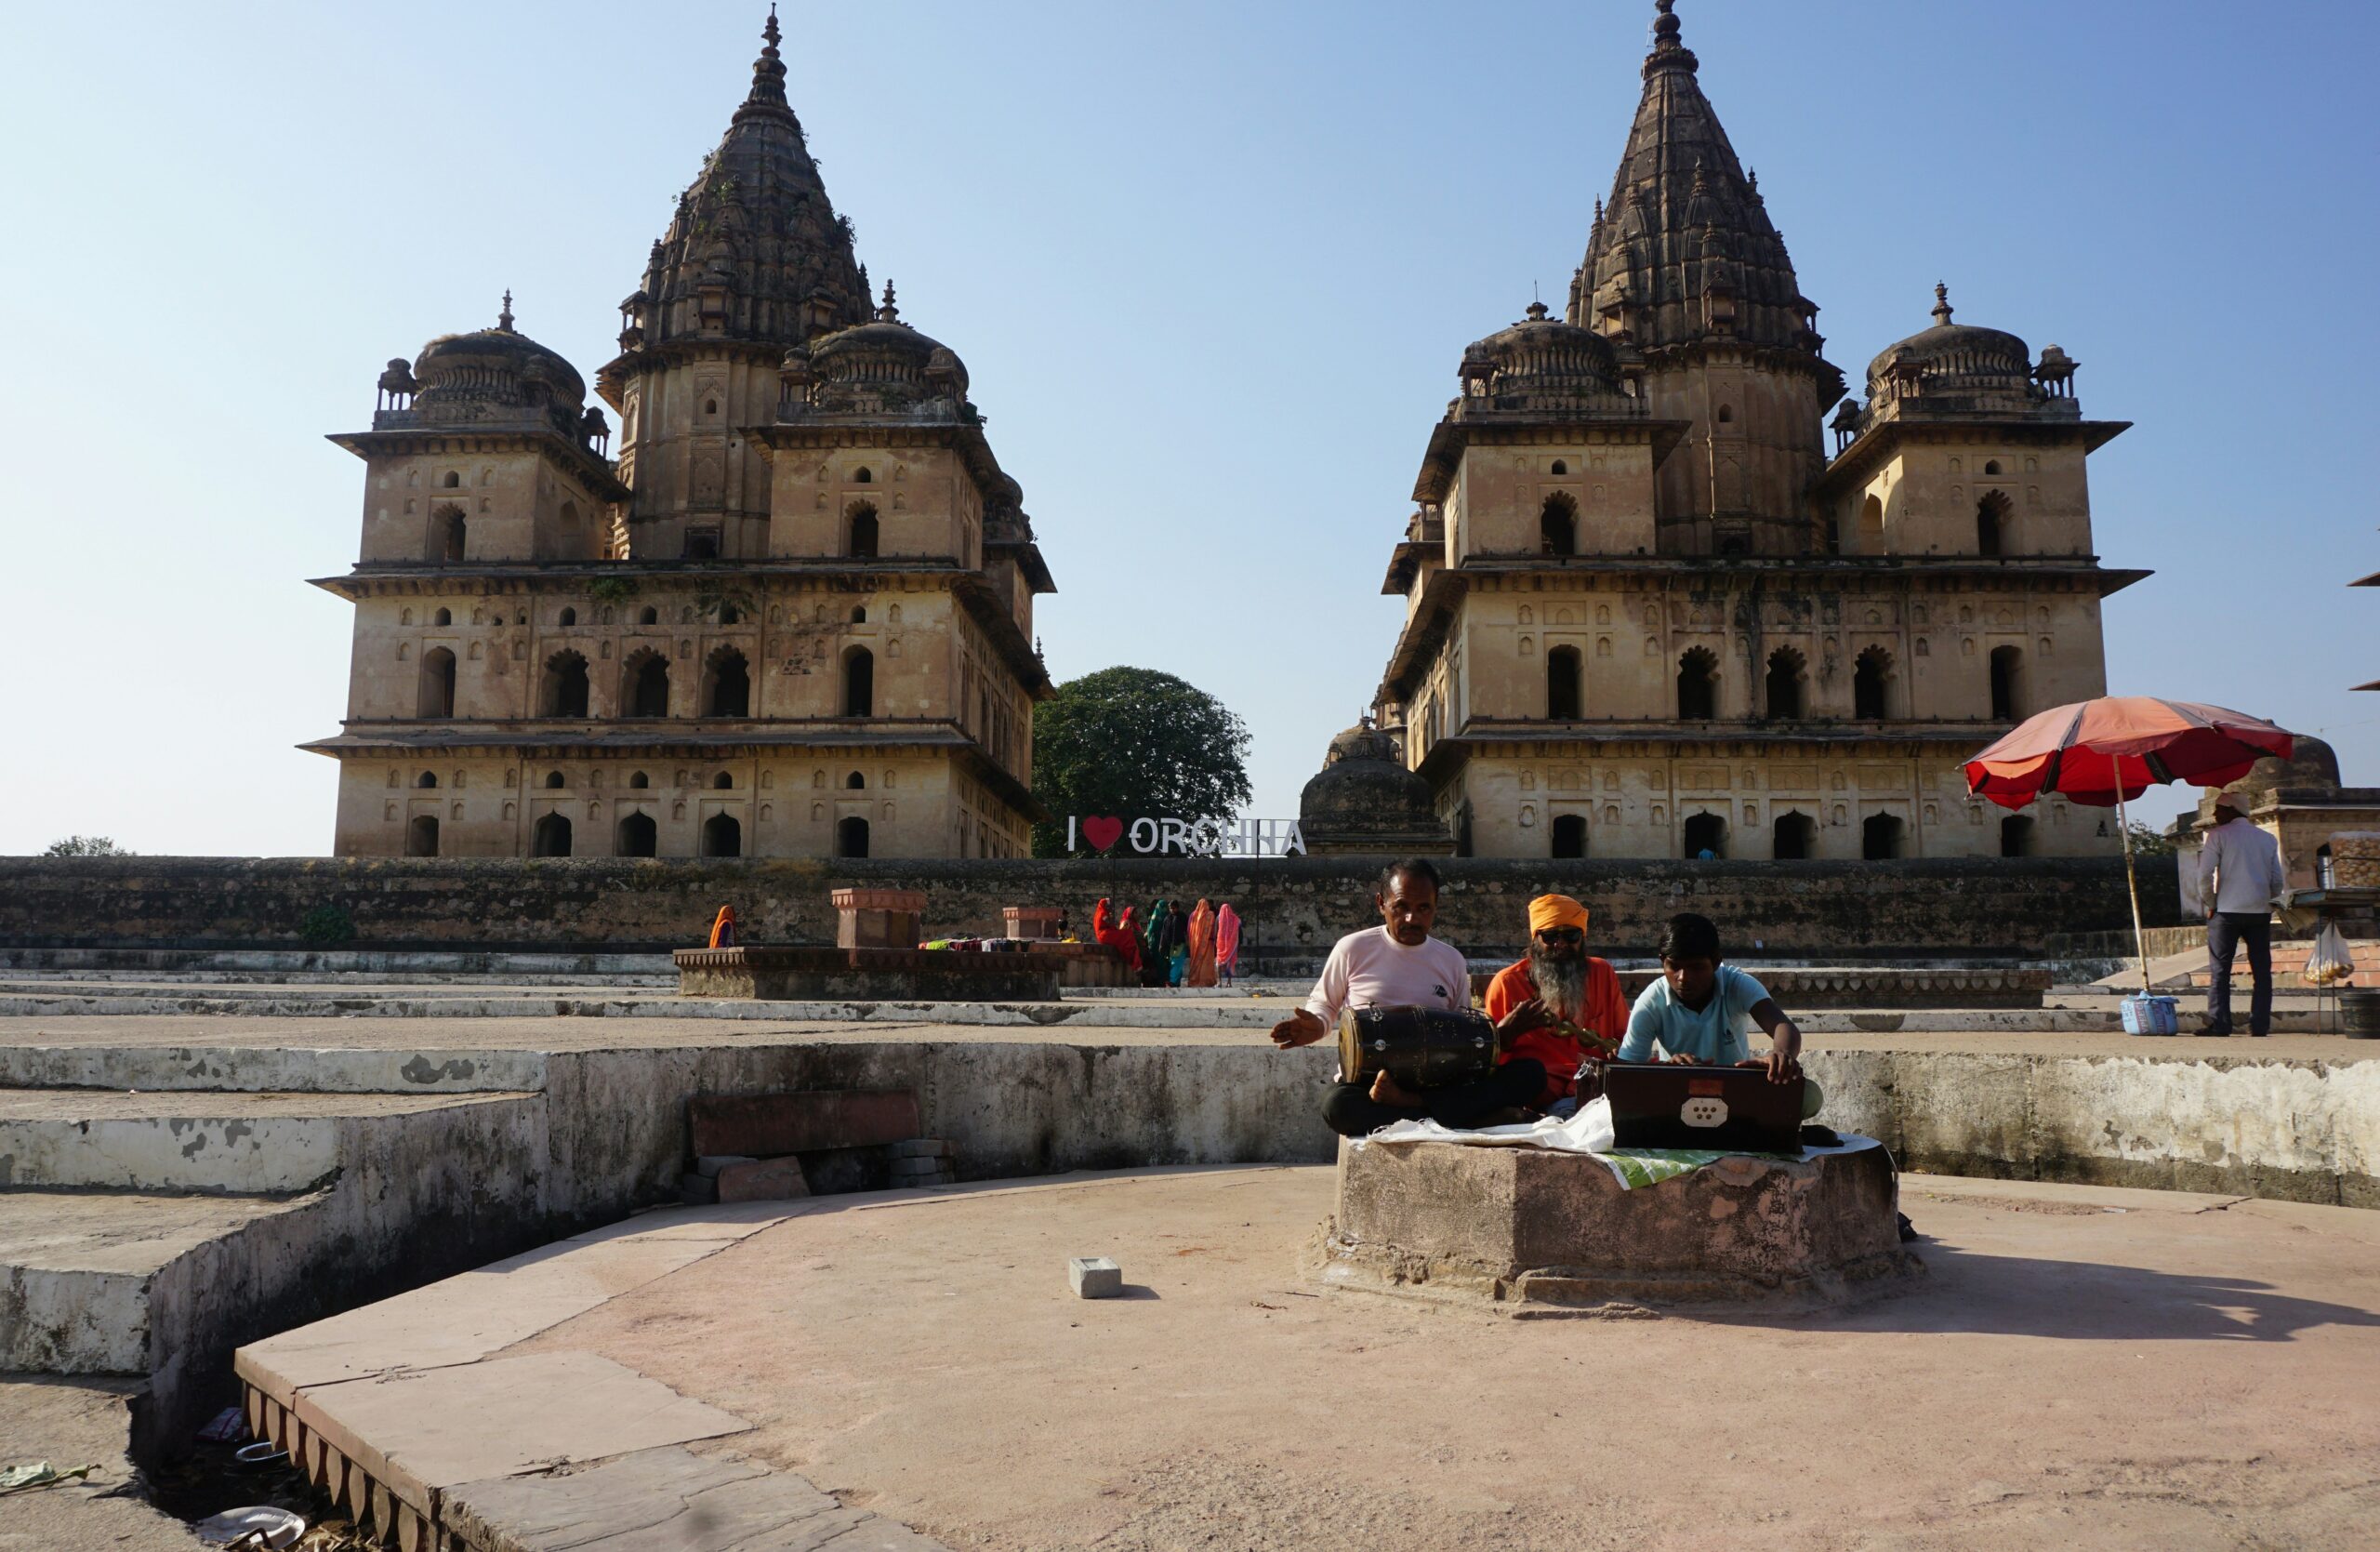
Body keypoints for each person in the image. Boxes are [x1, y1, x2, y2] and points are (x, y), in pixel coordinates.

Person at [1268, 857, 1545, 1137]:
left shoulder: (1451, 960)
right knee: (1338, 1106)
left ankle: (1414, 1104)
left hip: (1436, 1083)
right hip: (1370, 1085)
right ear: (1381, 903)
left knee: (1531, 1073)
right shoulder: (1352, 948)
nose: (1412, 919)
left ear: (1436, 906)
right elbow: (1325, 1003)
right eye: (1401, 907)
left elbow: (1461, 1036)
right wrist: (1317, 1024)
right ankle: (1461, 1118)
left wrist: (1496, 1037)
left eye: (1423, 908)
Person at [1617, 912, 1820, 1118]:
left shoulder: (1737, 984)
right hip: (1677, 1096)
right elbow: (1626, 1074)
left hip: (1736, 1093)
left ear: (1715, 962)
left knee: (1810, 1097)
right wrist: (1666, 1069)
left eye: (1696, 967)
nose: (1683, 978)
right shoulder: (1651, 1001)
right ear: (1663, 961)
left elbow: (1782, 1026)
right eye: (1675, 966)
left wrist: (1782, 1056)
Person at [1481, 894, 1631, 1111]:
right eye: (1550, 936)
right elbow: (1488, 1063)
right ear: (1535, 938)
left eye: (1571, 935)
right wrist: (1507, 1034)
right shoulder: (1507, 983)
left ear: (1583, 937)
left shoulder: (1602, 973)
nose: (1560, 944)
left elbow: (1625, 1037)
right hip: (1541, 1096)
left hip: (1597, 1091)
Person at [2198, 789, 2286, 1038]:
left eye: (2218, 809)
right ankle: (2259, 1025)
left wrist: (2211, 903)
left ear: (2231, 810)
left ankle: (2220, 1024)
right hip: (2259, 911)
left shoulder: (2218, 836)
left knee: (2220, 970)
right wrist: (2268, 902)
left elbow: (2204, 876)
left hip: (2226, 911)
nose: (2215, 815)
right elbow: (2277, 880)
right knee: (2262, 970)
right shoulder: (2267, 838)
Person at [1091, 896, 1143, 975]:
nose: (1109, 907)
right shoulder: (1102, 912)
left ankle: (1136, 964)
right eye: (1108, 906)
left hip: (1105, 934)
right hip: (1104, 934)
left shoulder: (1099, 912)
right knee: (1128, 935)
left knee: (1125, 940)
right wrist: (1111, 917)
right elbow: (1109, 922)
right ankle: (1136, 964)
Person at [1185, 899, 1218, 987]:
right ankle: (1207, 981)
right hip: (1208, 942)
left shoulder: (1193, 915)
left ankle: (1193, 980)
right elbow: (1213, 930)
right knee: (1207, 962)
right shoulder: (1210, 915)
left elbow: (1189, 929)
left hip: (1195, 943)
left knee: (1196, 961)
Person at [1215, 902, 1242, 985]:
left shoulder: (1218, 918)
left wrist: (1215, 942)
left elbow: (1216, 931)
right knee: (1231, 963)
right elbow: (1240, 933)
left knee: (1219, 962)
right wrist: (1239, 944)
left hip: (1221, 945)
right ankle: (1229, 982)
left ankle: (1219, 982)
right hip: (1232, 945)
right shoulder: (1235, 919)